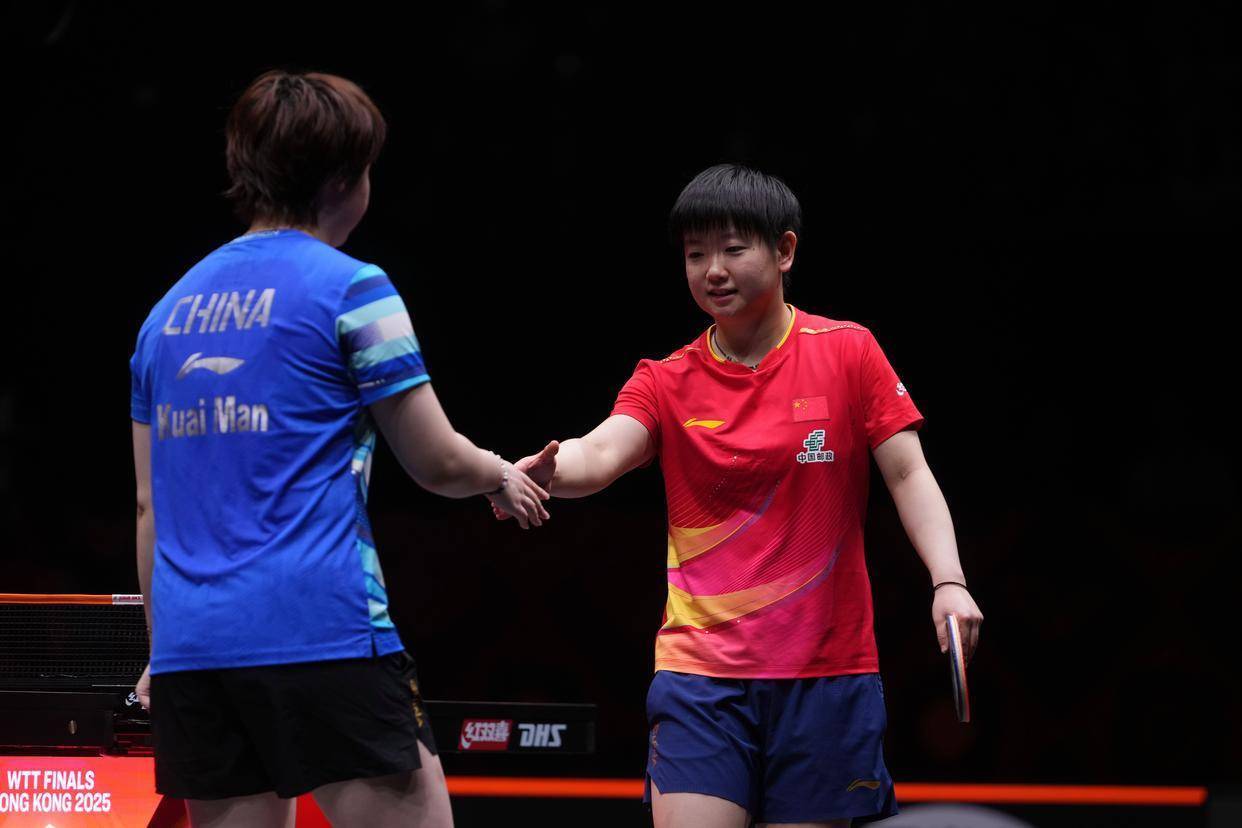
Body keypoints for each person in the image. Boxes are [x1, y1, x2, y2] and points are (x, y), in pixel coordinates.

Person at [497, 164, 983, 827]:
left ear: (784, 251)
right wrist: (547, 470)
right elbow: (603, 451)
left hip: (826, 674)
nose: (713, 271)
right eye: (695, 255)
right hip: (701, 675)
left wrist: (949, 581)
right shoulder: (666, 380)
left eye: (732, 249)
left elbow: (908, 475)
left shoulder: (849, 352)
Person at [129, 70, 548, 828]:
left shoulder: (165, 317)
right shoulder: (354, 289)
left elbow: (149, 507)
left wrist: (164, 652)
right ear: (345, 181)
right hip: (321, 630)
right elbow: (435, 461)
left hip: (194, 652)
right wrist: (499, 476)